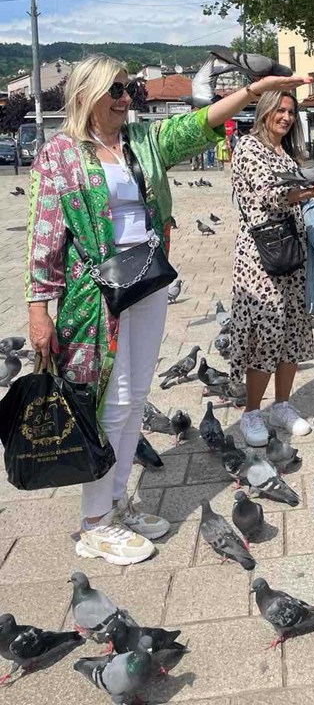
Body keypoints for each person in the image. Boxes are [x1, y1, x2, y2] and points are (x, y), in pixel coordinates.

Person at [25, 54, 289, 567]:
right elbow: (43, 235)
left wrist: (255, 92)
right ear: (86, 96)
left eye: (129, 90)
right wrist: (39, 308)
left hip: (146, 282)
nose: (127, 99)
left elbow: (197, 123)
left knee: (137, 396)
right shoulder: (58, 155)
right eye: (117, 91)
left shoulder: (140, 142)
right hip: (94, 294)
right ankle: (95, 522)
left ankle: (117, 503)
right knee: (113, 402)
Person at [230, 88, 314, 446]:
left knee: (294, 327)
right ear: (264, 112)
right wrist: (310, 192)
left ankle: (281, 404)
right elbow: (269, 194)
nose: (286, 117)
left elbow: (293, 191)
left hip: (291, 249)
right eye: (280, 110)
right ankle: (251, 412)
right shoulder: (249, 148)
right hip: (260, 254)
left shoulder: (286, 152)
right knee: (267, 329)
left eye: (291, 111)